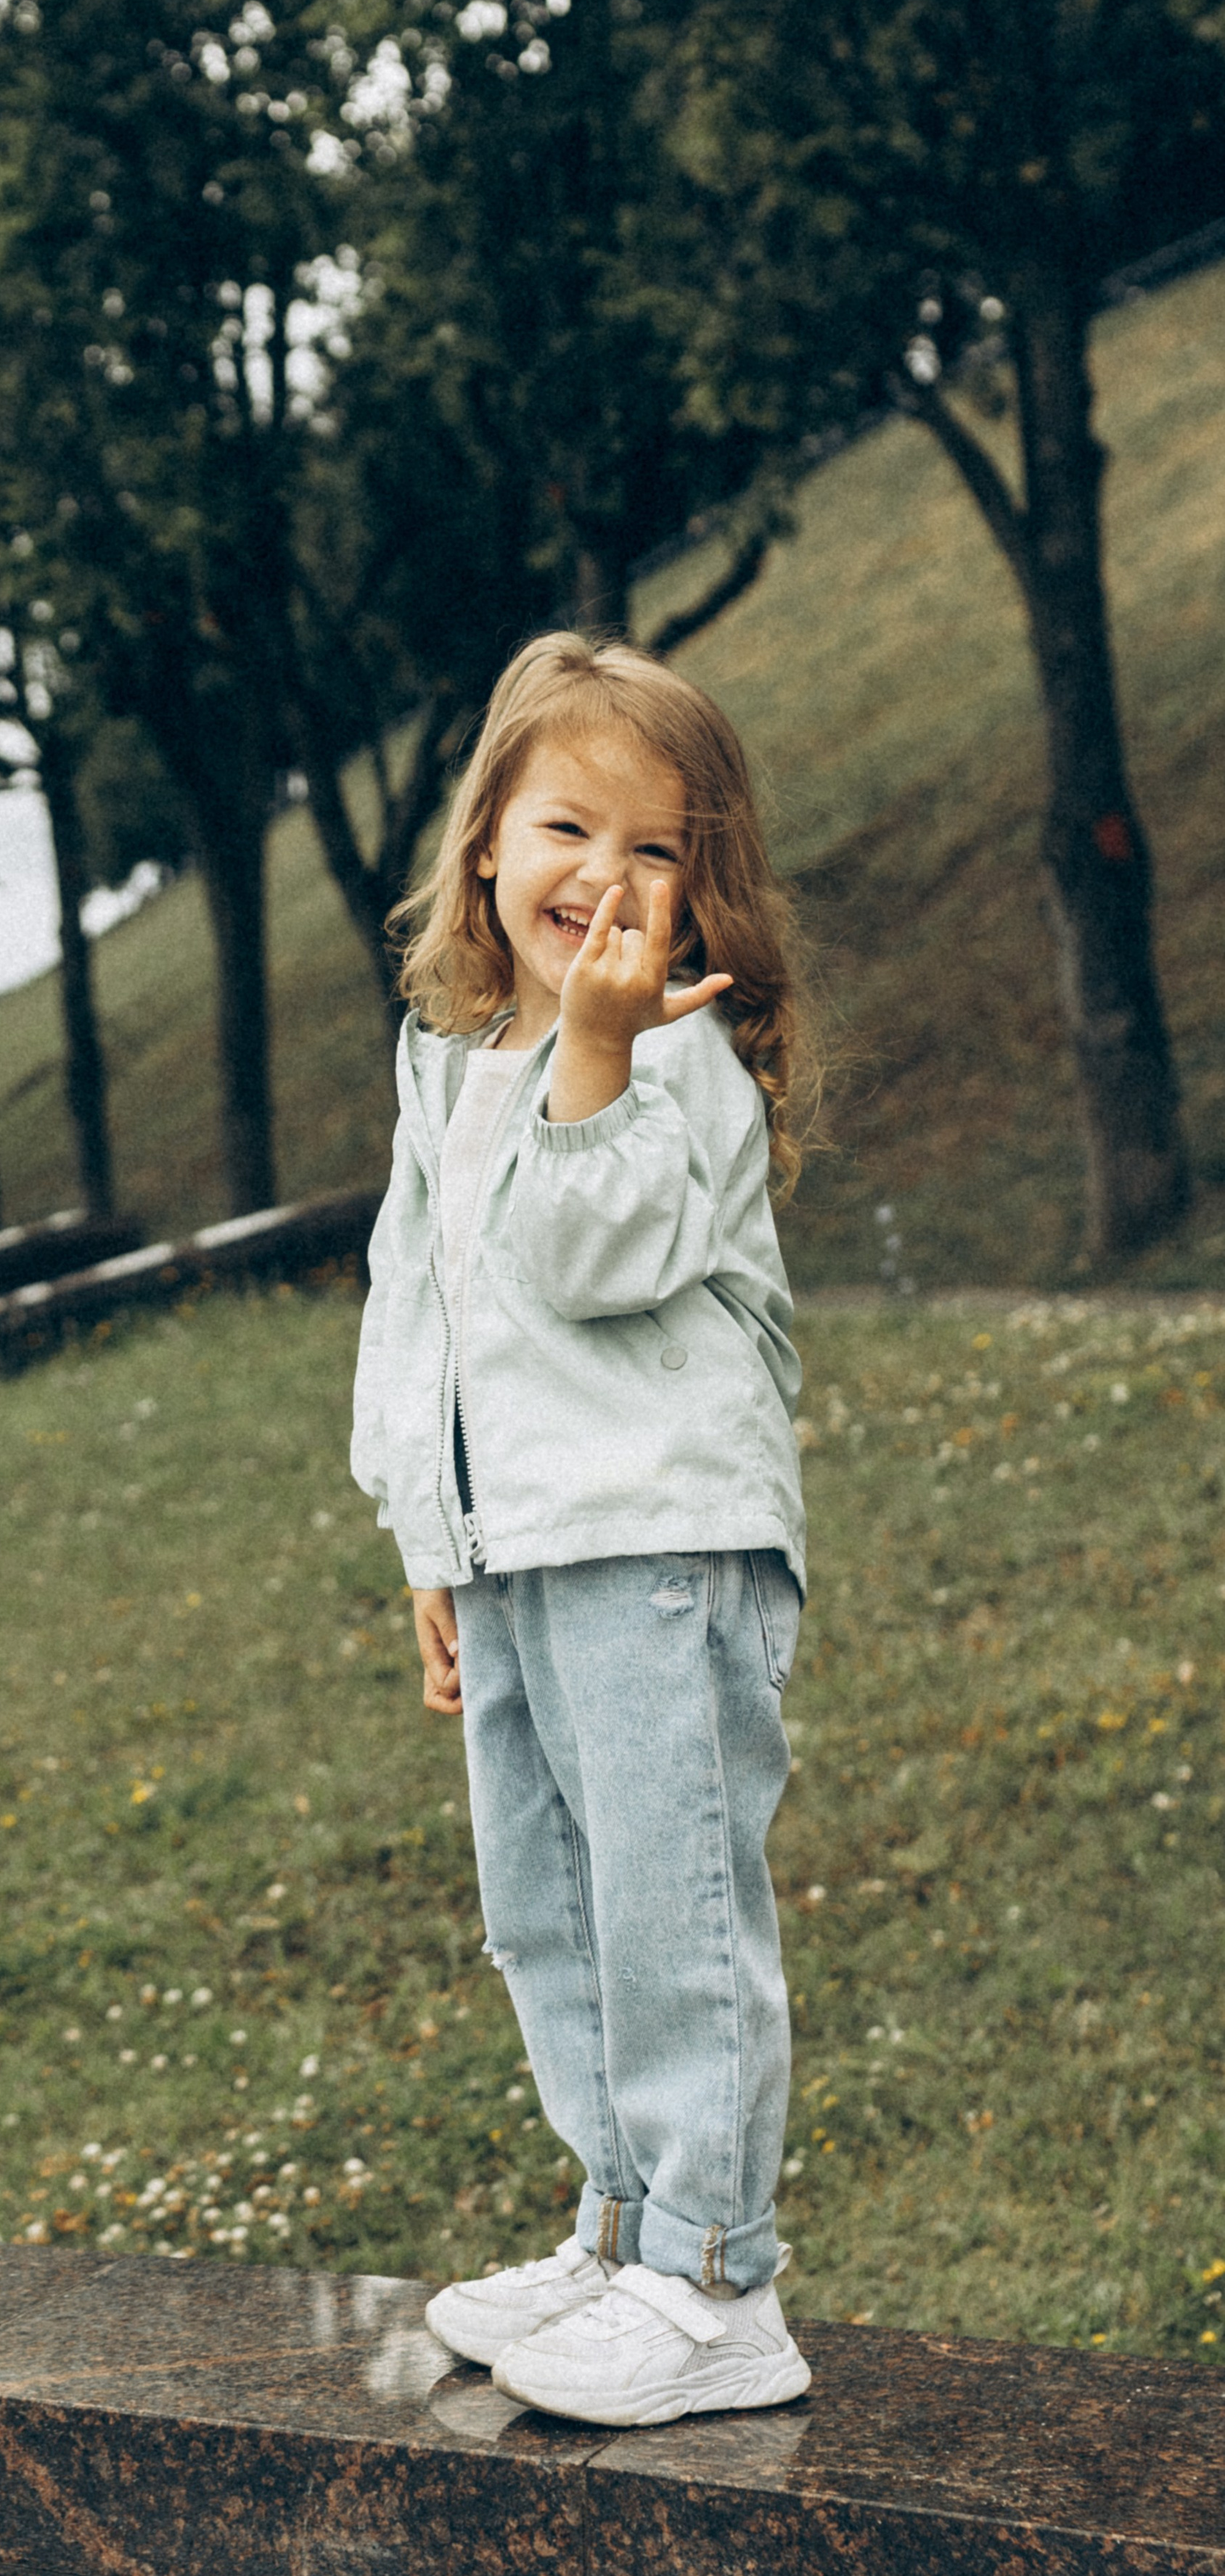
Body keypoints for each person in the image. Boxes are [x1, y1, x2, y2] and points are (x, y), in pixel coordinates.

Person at [351, 631, 815, 2428]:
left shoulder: (675, 1060)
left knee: (666, 1910)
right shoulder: (452, 1061)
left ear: (704, 886)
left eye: (654, 849)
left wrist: (603, 1053)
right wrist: (425, 1534)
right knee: (546, 1911)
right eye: (565, 828)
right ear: (484, 841)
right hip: (516, 1547)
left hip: (656, 1541)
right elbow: (416, 1305)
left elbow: (592, 1255)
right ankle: (618, 2226)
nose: (602, 879)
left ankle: (714, 2280)